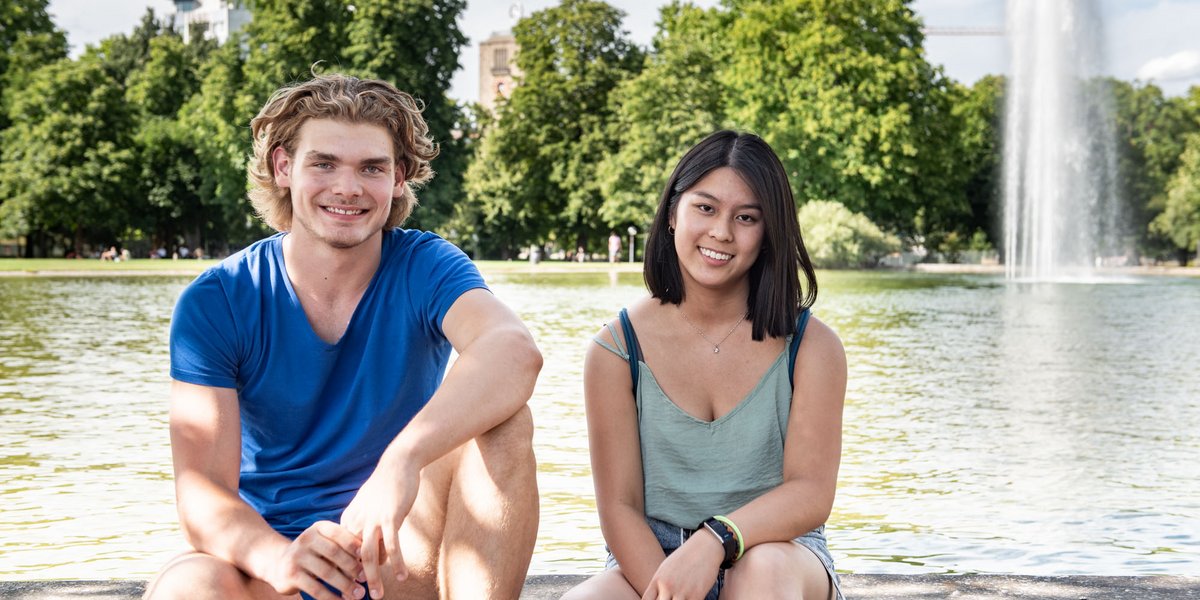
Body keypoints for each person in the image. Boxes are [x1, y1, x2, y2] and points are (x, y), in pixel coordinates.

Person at [144, 73, 542, 600]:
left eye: (371, 167)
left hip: (395, 557)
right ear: (284, 168)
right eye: (324, 164)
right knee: (187, 583)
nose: (347, 188)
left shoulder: (426, 266)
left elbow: (512, 351)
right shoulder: (219, 299)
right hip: (279, 562)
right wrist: (280, 558)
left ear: (398, 178)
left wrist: (400, 462)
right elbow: (202, 493)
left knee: (504, 422)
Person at [563, 130, 846, 600]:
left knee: (762, 571)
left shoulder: (813, 347)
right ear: (673, 214)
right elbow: (620, 508)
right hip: (653, 558)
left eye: (746, 217)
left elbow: (811, 493)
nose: (722, 232)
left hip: (778, 551)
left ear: (768, 232)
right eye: (706, 208)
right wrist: (670, 585)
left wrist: (716, 539)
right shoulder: (615, 348)